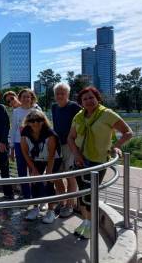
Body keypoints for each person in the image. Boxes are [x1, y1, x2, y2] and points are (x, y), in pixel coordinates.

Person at [68, 86, 133, 238]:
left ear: (98, 98)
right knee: (82, 195)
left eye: (91, 97)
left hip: (97, 161)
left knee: (90, 195)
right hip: (80, 160)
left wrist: (115, 147)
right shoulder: (79, 116)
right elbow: (70, 138)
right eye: (85, 99)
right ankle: (86, 222)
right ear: (81, 102)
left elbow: (128, 132)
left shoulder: (107, 114)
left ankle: (91, 225)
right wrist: (76, 155)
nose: (88, 101)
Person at [20, 110, 62, 224]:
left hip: (52, 159)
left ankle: (51, 210)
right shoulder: (25, 132)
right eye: (32, 120)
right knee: (34, 181)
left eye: (39, 120)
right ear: (27, 122)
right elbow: (24, 151)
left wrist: (48, 174)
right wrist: (33, 169)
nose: (35, 123)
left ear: (43, 121)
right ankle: (35, 208)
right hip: (36, 159)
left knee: (49, 183)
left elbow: (52, 155)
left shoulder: (50, 134)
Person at [51, 83, 81, 218]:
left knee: (70, 175)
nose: (60, 96)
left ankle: (70, 204)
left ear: (68, 94)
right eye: (57, 93)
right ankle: (61, 201)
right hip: (58, 145)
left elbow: (82, 122)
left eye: (62, 93)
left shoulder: (74, 107)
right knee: (56, 175)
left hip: (71, 145)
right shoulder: (54, 107)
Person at [9, 88, 41, 200]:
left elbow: (43, 128)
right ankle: (26, 195)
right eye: (24, 97)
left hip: (34, 144)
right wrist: (11, 147)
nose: (26, 99)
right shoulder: (16, 111)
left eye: (28, 96)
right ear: (19, 98)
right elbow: (13, 129)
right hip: (19, 143)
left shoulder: (36, 110)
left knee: (35, 169)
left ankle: (38, 196)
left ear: (32, 98)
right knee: (21, 170)